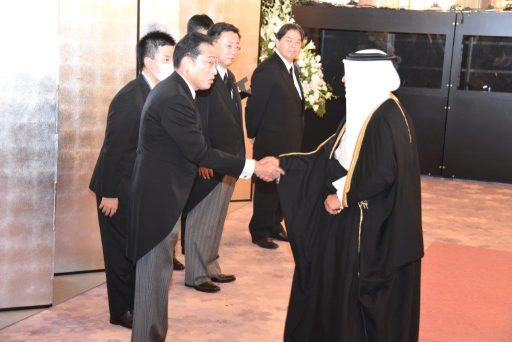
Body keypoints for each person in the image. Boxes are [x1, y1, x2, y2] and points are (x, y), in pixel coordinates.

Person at [127, 32, 284, 342]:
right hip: (157, 204)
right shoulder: (174, 98)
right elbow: (199, 152)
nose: (215, 70)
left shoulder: (180, 92)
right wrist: (253, 167)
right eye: (210, 62)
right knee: (152, 286)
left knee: (158, 284)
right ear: (187, 63)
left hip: (163, 199)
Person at [277, 49, 424, 341]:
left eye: (349, 73)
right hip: (358, 216)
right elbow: (337, 151)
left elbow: (381, 172)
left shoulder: (386, 116)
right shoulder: (369, 108)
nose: (343, 79)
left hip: (373, 225)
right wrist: (285, 164)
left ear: (367, 76)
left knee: (360, 294)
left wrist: (343, 195)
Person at [89, 31, 176, 329]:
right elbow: (114, 150)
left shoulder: (160, 92)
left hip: (139, 187)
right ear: (149, 61)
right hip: (117, 188)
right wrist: (110, 193)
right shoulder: (130, 98)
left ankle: (135, 303)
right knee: (119, 252)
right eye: (167, 59)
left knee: (134, 249)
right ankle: (120, 311)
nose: (172, 64)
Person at [182, 22, 244, 293]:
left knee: (217, 219)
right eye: (228, 45)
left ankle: (210, 266)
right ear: (212, 44)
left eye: (237, 46)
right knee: (202, 218)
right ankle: (196, 274)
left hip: (228, 159)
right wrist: (204, 159)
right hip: (211, 160)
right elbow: (199, 121)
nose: (234, 51)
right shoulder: (206, 79)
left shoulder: (228, 77)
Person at [245, 23, 305, 249]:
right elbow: (254, 107)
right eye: (288, 39)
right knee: (267, 188)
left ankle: (274, 224)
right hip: (271, 139)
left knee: (284, 186)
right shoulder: (268, 69)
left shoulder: (292, 67)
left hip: (290, 141)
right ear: (278, 41)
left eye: (297, 41)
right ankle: (259, 230)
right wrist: (252, 134)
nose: (293, 45)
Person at [180, 13, 214, 255]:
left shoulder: (203, 75)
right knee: (181, 207)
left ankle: (183, 248)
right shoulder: (184, 75)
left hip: (196, 151)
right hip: (184, 157)